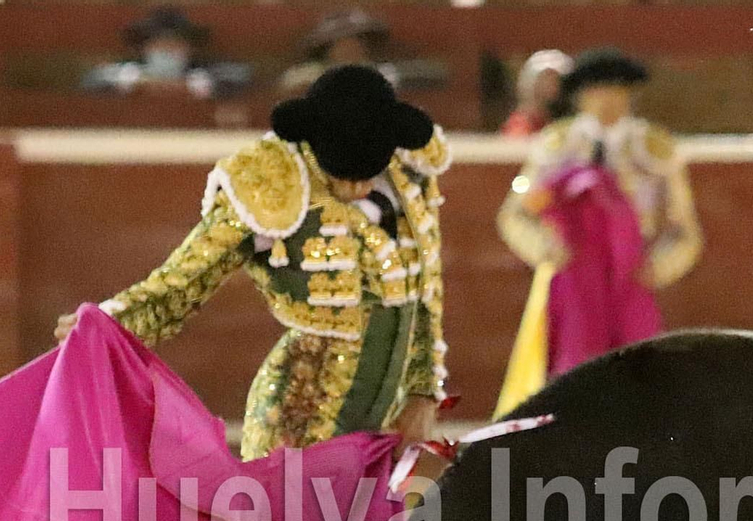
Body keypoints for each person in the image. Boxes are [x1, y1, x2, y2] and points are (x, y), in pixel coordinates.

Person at [55, 64, 450, 458]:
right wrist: (106, 323)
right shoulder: (274, 180)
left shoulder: (407, 179)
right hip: (298, 421)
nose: (357, 187)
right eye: (343, 175)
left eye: (369, 174)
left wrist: (423, 392)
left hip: (383, 430)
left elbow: (425, 295)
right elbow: (185, 280)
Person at [493, 48, 702, 416]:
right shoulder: (555, 145)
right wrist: (547, 248)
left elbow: (685, 231)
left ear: (629, 95)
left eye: (616, 91)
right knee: (570, 376)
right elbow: (514, 215)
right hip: (572, 277)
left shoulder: (656, 147)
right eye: (596, 92)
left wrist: (660, 266)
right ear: (580, 97)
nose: (606, 101)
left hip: (630, 276)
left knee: (637, 378)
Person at [82, 5, 251, 101]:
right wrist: (135, 81)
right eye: (159, 43)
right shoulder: (127, 71)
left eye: (174, 43)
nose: (166, 50)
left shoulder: (207, 70)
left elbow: (241, 76)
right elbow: (92, 80)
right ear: (144, 47)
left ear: (189, 47)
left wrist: (191, 85)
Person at [278, 9, 398, 95]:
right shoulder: (303, 75)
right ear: (327, 48)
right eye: (342, 42)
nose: (351, 47)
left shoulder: (383, 72)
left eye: (357, 40)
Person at [501, 49, 571, 138]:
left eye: (557, 80)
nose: (552, 85)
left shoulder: (572, 123)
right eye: (546, 79)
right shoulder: (521, 124)